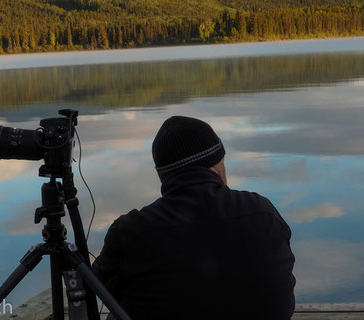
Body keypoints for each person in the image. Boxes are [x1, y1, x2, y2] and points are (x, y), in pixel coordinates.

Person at [93, 115, 296, 320]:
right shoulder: (262, 211)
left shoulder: (131, 231)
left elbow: (98, 287)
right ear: (215, 167)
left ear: (165, 176)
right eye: (223, 163)